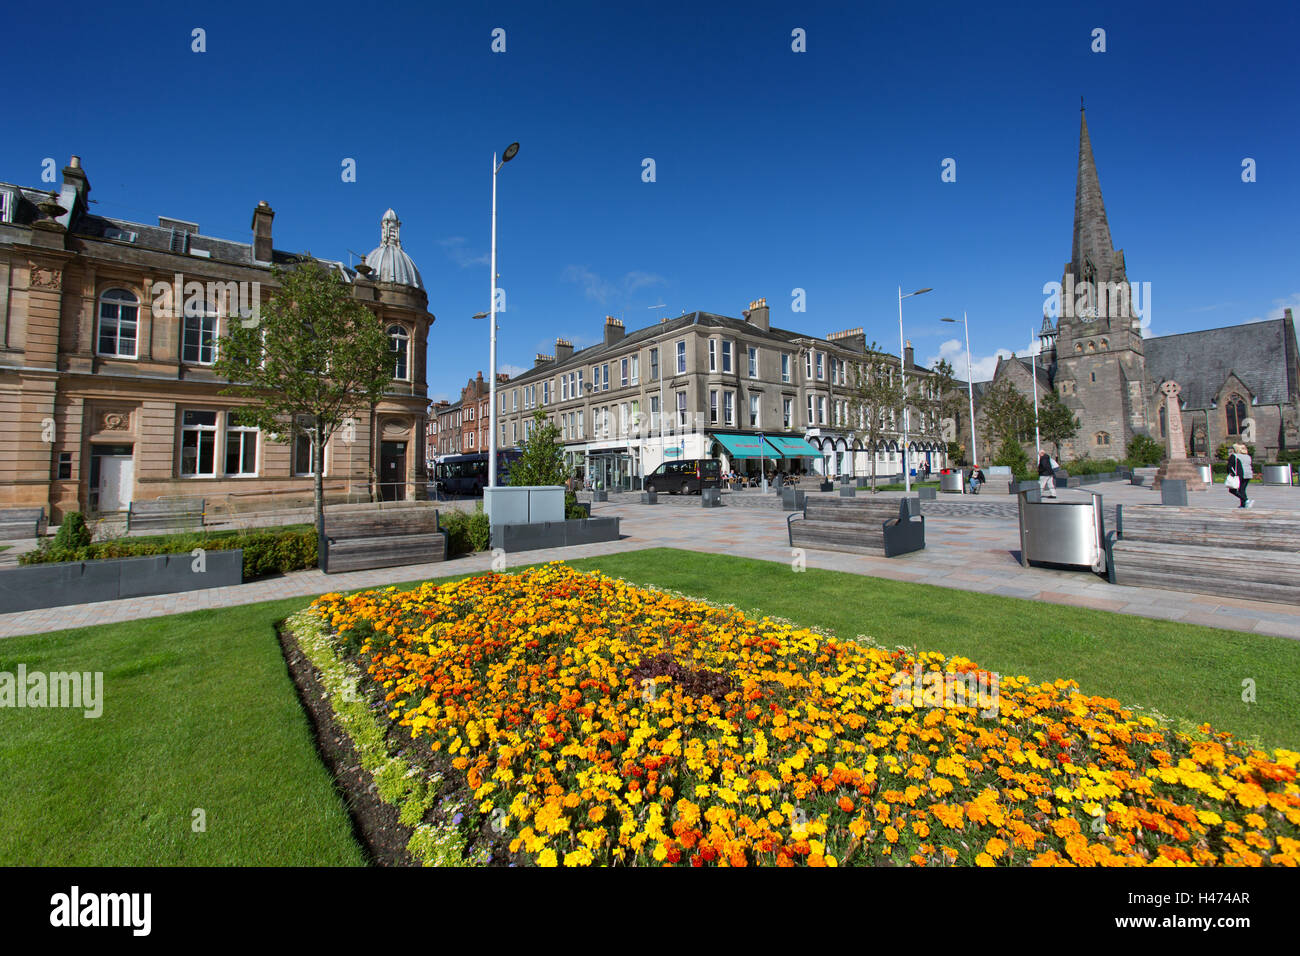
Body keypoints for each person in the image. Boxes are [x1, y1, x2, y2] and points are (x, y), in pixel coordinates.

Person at [1226, 442, 1253, 509]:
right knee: (1242, 490)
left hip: (1240, 475)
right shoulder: (1248, 456)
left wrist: (1230, 474)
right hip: (1248, 474)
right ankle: (1243, 505)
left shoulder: (1234, 456)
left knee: (1232, 490)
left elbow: (1229, 466)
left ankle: (1246, 500)